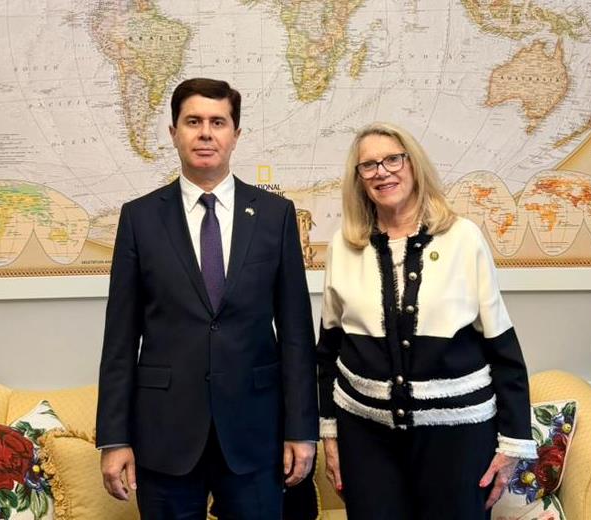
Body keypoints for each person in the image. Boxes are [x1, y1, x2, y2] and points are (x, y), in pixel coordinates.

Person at [96, 77, 318, 519]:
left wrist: (301, 430)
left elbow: (296, 334)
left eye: (218, 122)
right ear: (173, 132)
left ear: (236, 135)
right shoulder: (139, 218)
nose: (205, 133)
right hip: (165, 436)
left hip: (255, 434)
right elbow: (120, 338)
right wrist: (114, 438)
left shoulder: (275, 216)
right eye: (193, 121)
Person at [316, 122, 537, 519]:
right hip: (365, 439)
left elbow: (502, 346)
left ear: (413, 165)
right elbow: (328, 350)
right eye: (369, 165)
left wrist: (512, 443)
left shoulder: (464, 238)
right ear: (359, 179)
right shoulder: (343, 246)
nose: (382, 172)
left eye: (393, 160)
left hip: (459, 439)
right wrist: (329, 433)